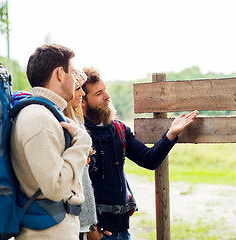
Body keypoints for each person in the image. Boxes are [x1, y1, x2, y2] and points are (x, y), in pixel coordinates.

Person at [81, 66, 198, 240]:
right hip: (95, 233)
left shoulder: (119, 129)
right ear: (82, 101)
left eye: (105, 90)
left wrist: (171, 134)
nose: (107, 96)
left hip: (122, 229)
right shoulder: (78, 134)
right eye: (98, 94)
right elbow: (75, 185)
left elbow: (148, 160)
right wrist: (88, 228)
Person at [10, 44, 92, 240]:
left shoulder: (44, 114)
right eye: (72, 72)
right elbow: (55, 187)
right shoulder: (39, 119)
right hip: (49, 234)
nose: (75, 80)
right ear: (59, 74)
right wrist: (82, 142)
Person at [63, 69, 105, 240]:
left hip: (83, 221)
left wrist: (91, 222)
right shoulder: (66, 124)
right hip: (74, 220)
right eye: (77, 88)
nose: (81, 93)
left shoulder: (77, 122)